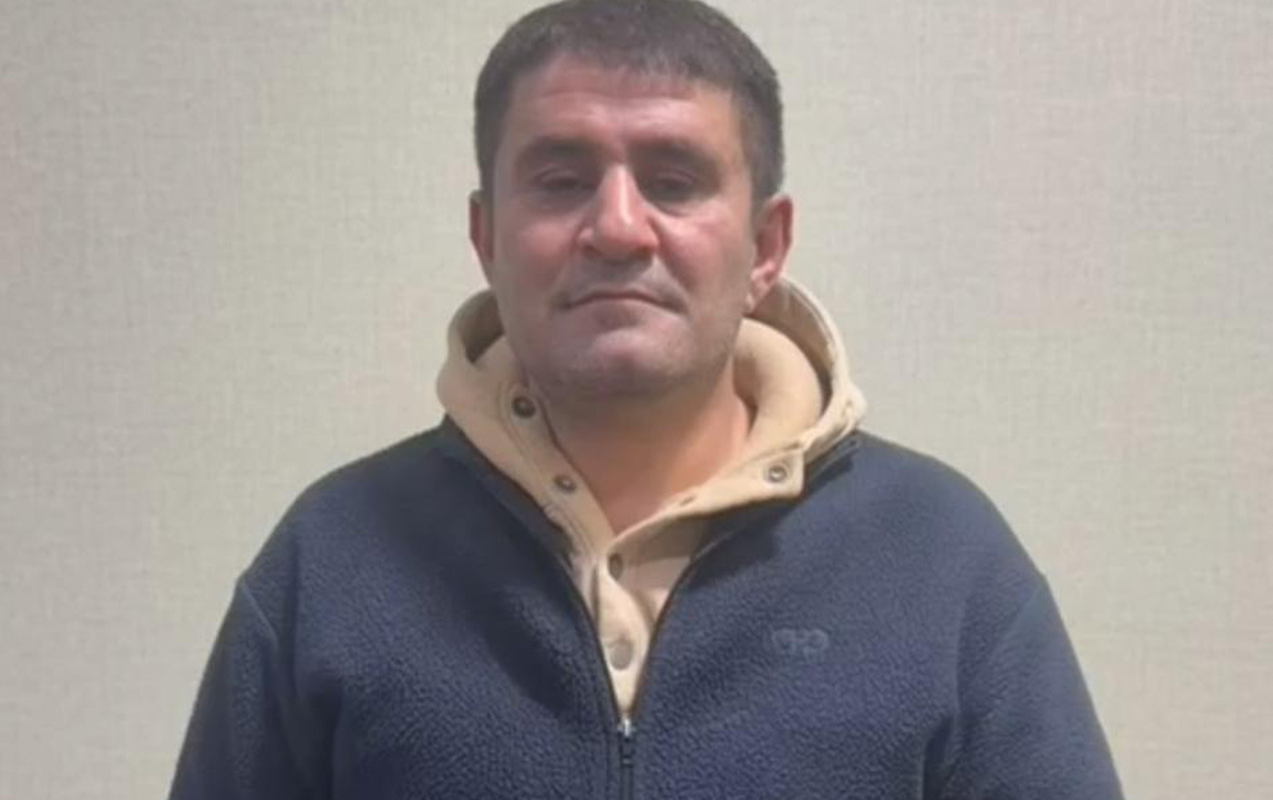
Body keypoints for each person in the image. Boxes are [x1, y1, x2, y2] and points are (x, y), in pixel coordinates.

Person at [169, 1, 1123, 798]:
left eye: (673, 181)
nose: (619, 228)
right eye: (561, 180)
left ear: (766, 246)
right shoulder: (333, 559)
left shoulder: (945, 561)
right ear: (486, 237)